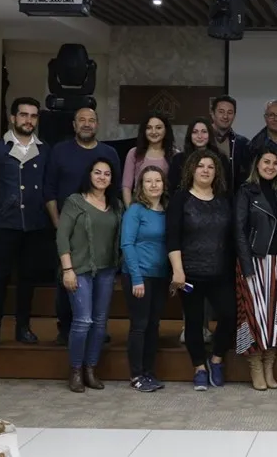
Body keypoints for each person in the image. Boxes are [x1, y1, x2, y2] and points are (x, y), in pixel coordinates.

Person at [0, 97, 51, 348]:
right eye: (24, 115)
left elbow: (48, 185)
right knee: (0, 278)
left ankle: (23, 327)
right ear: (13, 117)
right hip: (5, 224)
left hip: (35, 225)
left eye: (33, 116)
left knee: (27, 279)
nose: (29, 120)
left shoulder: (45, 149)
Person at [44, 107, 121, 346]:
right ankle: (66, 328)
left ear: (97, 124)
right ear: (74, 124)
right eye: (82, 120)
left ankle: (97, 330)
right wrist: (59, 225)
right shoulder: (60, 151)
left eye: (91, 120)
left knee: (100, 284)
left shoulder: (108, 153)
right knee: (66, 281)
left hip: (101, 230)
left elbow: (116, 191)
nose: (87, 124)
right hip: (67, 230)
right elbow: (49, 190)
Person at [167, 149, 236, 391]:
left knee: (229, 315)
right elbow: (172, 237)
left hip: (220, 272)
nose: (205, 170)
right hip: (190, 274)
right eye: (201, 166)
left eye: (210, 167)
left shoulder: (224, 199)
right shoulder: (181, 199)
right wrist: (177, 270)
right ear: (192, 170)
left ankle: (216, 360)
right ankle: (199, 367)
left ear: (217, 172)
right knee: (194, 323)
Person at [234, 144, 277, 392]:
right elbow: (239, 231)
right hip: (254, 260)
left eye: (275, 163)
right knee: (254, 314)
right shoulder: (246, 191)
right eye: (266, 162)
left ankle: (269, 364)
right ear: (257, 164)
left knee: (275, 314)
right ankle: (255, 366)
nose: (270, 167)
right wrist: (246, 264)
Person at [56, 157, 123, 392]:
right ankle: (75, 370)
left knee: (100, 323)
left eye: (107, 173)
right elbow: (62, 237)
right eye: (98, 172)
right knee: (83, 320)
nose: (102, 177)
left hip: (107, 270)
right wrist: (67, 270)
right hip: (78, 269)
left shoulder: (116, 205)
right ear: (89, 175)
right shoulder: (75, 202)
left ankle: (90, 369)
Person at [120, 165, 169, 393]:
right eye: (148, 181)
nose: (153, 185)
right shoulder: (135, 210)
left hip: (160, 277)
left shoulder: (167, 211)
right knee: (140, 326)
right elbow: (127, 244)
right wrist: (137, 278)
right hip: (138, 276)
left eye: (157, 180)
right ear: (141, 185)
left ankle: (149, 372)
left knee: (153, 325)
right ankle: (136, 375)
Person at [122, 112, 175, 207]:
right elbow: (126, 186)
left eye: (158, 128)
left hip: (165, 207)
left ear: (166, 130)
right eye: (149, 128)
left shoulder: (174, 154)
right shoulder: (134, 153)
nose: (153, 132)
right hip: (138, 205)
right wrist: (130, 210)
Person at [167, 118, 232, 197]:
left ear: (210, 134)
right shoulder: (178, 159)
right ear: (190, 135)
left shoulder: (221, 158)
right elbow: (171, 188)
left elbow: (227, 187)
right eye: (195, 132)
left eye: (204, 132)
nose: (199, 136)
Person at [210, 95, 251, 191]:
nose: (225, 116)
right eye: (221, 112)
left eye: (230, 112)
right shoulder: (202, 139)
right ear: (212, 114)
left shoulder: (243, 144)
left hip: (232, 197)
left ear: (234, 116)